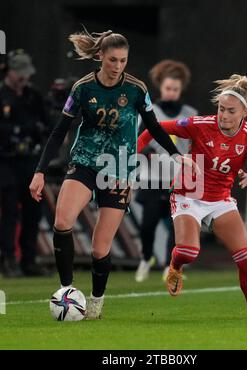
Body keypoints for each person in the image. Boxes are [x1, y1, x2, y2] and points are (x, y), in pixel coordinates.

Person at [29, 27, 197, 319]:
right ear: (100, 57)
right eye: (113, 60)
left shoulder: (136, 89)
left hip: (118, 168)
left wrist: (178, 157)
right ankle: (67, 291)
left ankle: (96, 300)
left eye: (123, 60)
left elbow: (154, 127)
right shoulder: (82, 88)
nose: (118, 66)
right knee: (62, 221)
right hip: (84, 161)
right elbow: (59, 131)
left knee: (99, 249)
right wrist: (40, 171)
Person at [138, 74, 247, 318]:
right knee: (189, 252)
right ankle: (175, 266)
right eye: (221, 109)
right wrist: (133, 153)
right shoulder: (200, 124)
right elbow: (155, 128)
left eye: (230, 111)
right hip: (187, 195)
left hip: (220, 200)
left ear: (244, 112)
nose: (223, 115)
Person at [135, 60, 198, 282]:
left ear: (181, 90)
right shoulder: (149, 110)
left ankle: (171, 266)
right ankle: (146, 257)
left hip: (178, 179)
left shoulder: (190, 113)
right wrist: (156, 157)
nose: (171, 93)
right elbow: (139, 143)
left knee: (177, 226)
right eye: (167, 88)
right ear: (160, 87)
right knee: (148, 224)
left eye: (175, 89)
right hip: (152, 177)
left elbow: (195, 144)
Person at [0, 49, 49, 277]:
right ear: (9, 72)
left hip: (30, 160)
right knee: (9, 211)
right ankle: (8, 258)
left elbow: (47, 125)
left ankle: (29, 259)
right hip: (6, 161)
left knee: (33, 210)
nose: (24, 78)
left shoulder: (33, 96)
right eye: (20, 73)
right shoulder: (2, 95)